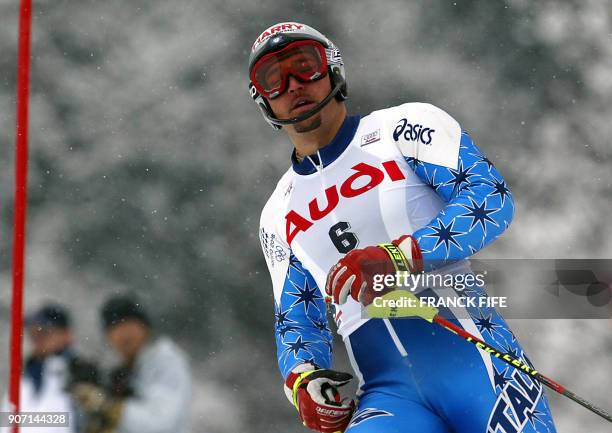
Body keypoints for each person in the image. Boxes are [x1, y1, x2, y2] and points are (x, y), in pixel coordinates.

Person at [250, 22, 557, 433]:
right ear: (263, 100)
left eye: (305, 66)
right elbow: (296, 318)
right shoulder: (277, 213)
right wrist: (304, 380)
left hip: (479, 366)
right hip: (389, 397)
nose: (292, 85)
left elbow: (489, 199)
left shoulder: (403, 127)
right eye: (273, 78)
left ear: (333, 69)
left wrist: (401, 255)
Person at [71, 296, 191, 433]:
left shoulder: (166, 362)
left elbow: (161, 421)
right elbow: (50, 420)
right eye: (115, 328)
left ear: (145, 328)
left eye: (128, 325)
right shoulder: (121, 372)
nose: (123, 334)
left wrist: (107, 406)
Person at [1, 304, 99, 433]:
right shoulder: (23, 379)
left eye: (44, 332)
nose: (37, 339)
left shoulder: (82, 374)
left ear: (66, 334)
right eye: (33, 333)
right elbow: (5, 423)